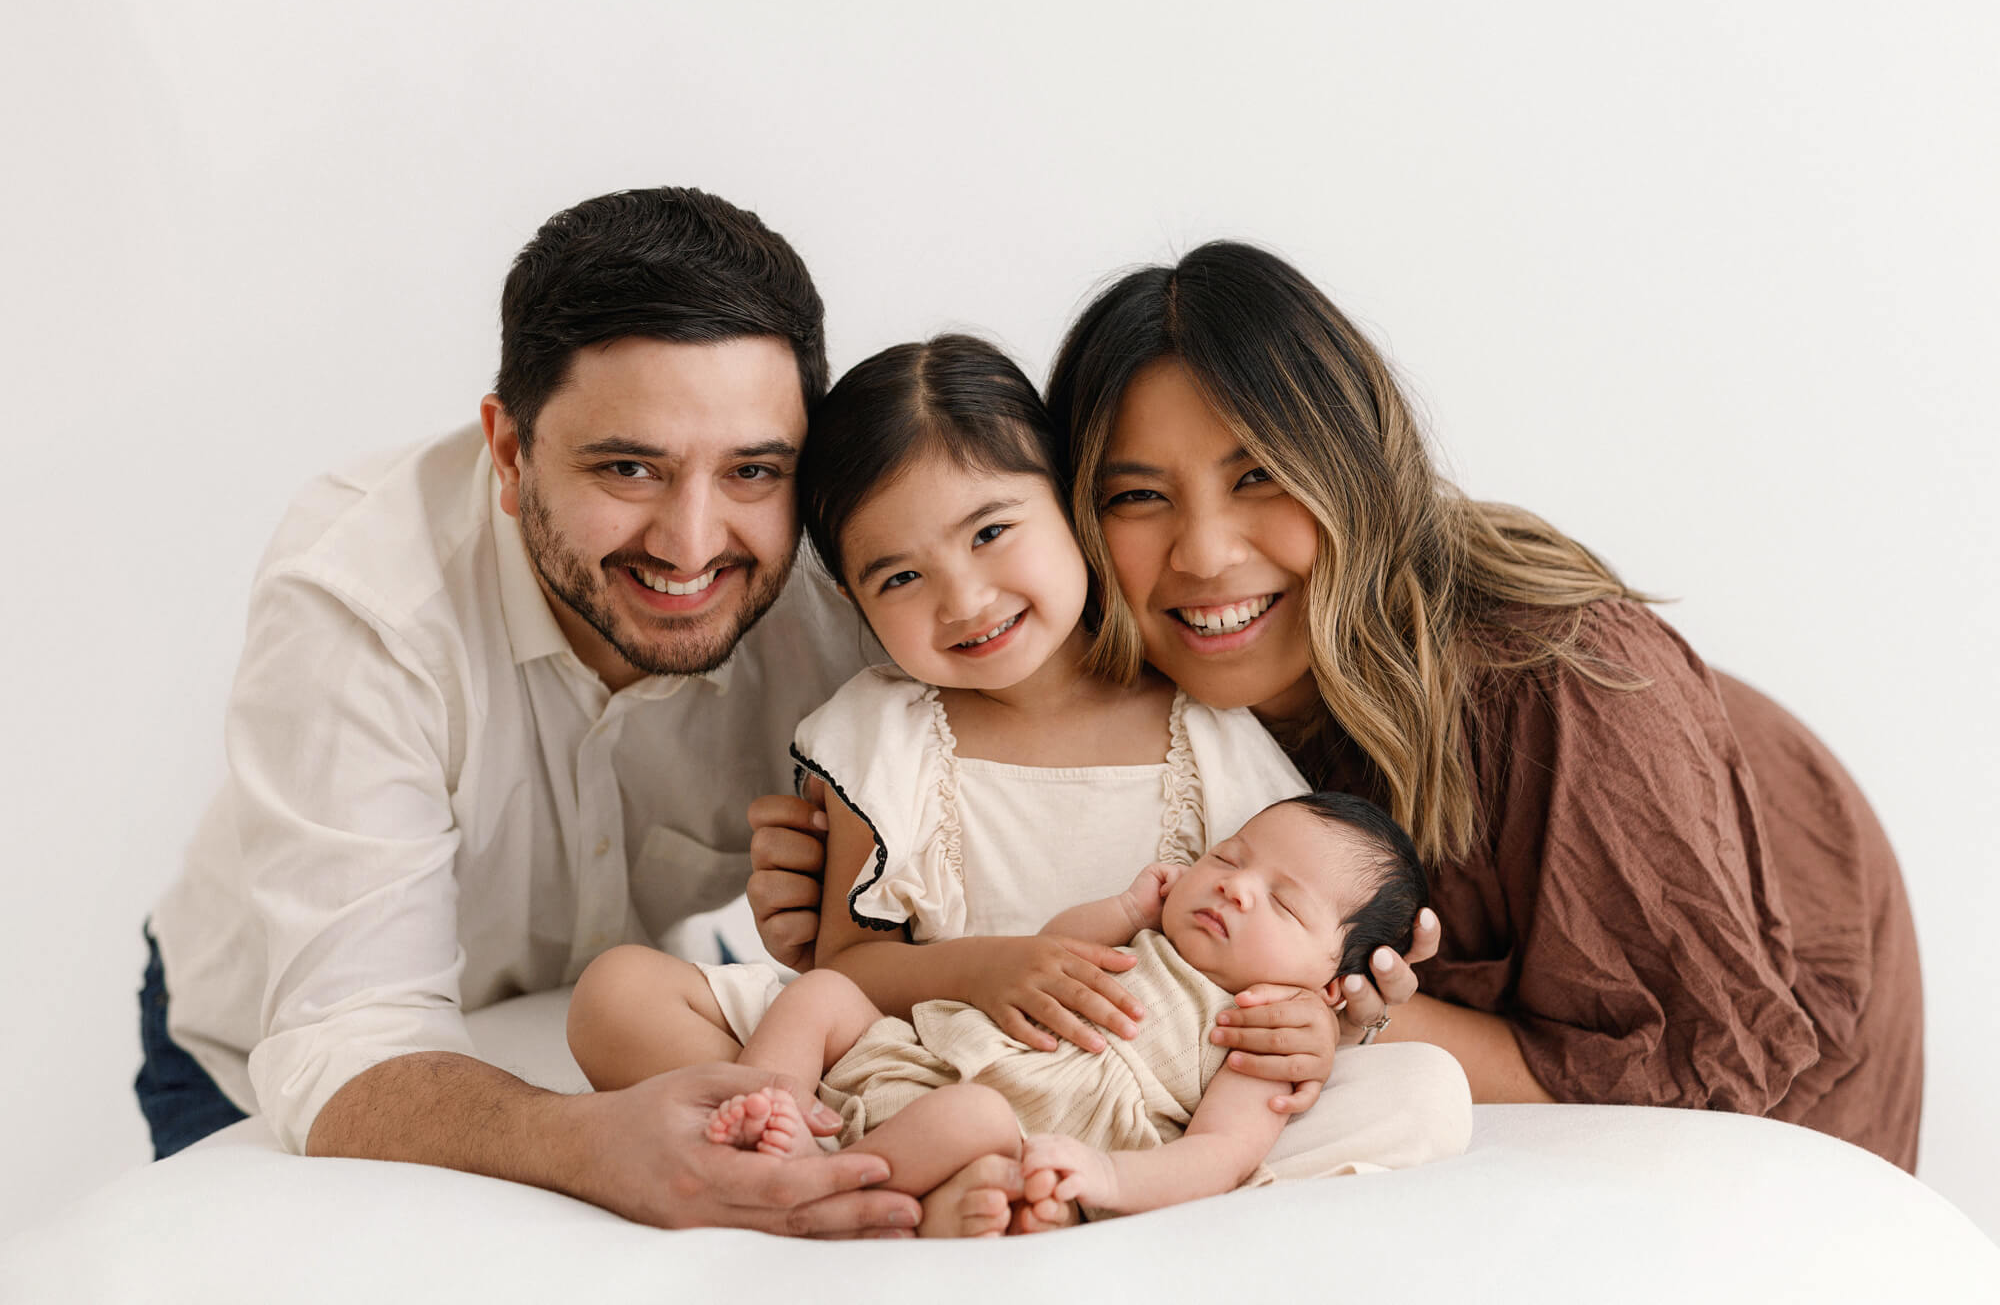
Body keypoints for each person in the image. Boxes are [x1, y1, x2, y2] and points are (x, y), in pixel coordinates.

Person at [753, 241, 1925, 1172]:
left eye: (1258, 473)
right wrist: (861, 907)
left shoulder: (1566, 684)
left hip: (1749, 1001)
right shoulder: (1101, 655)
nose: (1204, 553)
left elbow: (1682, 1064)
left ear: (1350, 459)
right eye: (1136, 495)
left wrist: (1353, 1019)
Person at [138, 186, 923, 1235]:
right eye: (628, 466)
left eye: (750, 469)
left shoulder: (857, 577)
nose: (692, 545)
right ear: (508, 452)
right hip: (276, 1049)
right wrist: (590, 1141)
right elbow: (349, 1035)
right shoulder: (360, 596)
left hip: (603, 1013)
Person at [567, 335, 1470, 1229]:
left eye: (993, 532)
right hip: (921, 1047)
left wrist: (1321, 1033)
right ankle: (790, 1134)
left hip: (1138, 1098)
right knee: (621, 993)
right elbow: (845, 967)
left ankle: (985, 1183)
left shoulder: (1203, 732)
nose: (963, 600)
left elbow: (1281, 951)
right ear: (850, 597)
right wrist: (991, 969)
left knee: (1424, 1089)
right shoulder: (884, 735)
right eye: (902, 576)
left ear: (1074, 509)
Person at [695, 792, 1433, 1236]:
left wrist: (1106, 1178)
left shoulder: (1266, 1026)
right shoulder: (1140, 931)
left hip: (1005, 1124)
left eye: (1282, 902)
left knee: (973, 1119)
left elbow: (1221, 1155)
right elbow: (1047, 954)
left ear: (1334, 984)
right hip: (920, 1056)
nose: (1238, 889)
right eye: (1229, 859)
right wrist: (1122, 910)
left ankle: (812, 1190)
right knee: (821, 995)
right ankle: (774, 1108)